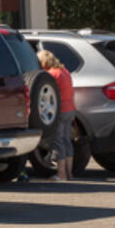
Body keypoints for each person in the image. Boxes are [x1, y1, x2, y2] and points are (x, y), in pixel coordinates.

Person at [37, 49, 77, 181]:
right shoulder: (64, 71)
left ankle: (61, 174)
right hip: (71, 109)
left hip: (60, 111)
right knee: (66, 141)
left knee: (58, 142)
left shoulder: (51, 74)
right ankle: (69, 173)